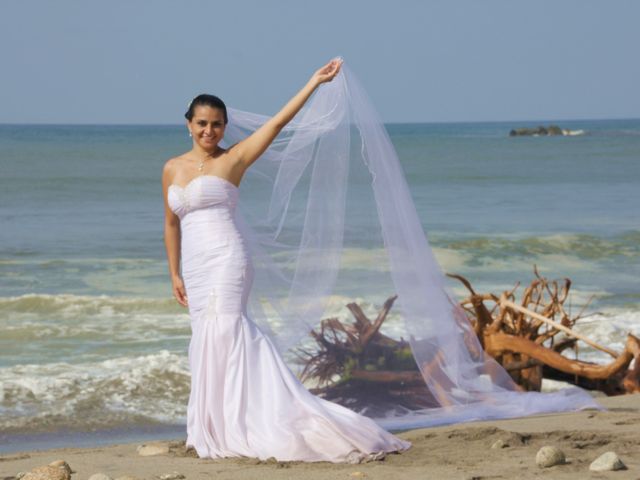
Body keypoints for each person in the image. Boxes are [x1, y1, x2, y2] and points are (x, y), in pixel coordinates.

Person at [162, 58, 412, 463]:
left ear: (226, 127)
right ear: (188, 124)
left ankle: (251, 421)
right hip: (195, 265)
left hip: (228, 257)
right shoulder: (171, 168)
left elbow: (276, 124)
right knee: (206, 338)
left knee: (228, 331)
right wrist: (173, 272)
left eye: (217, 124)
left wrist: (313, 83)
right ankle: (212, 424)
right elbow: (171, 224)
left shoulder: (235, 159)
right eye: (202, 123)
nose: (210, 131)